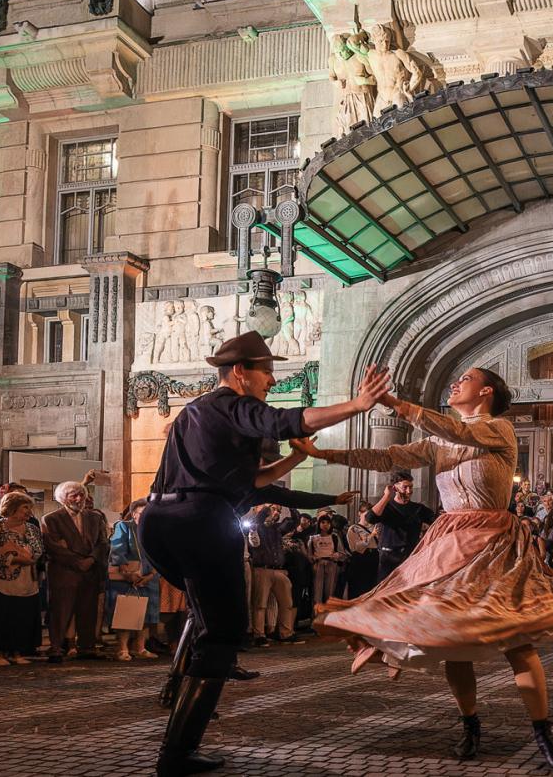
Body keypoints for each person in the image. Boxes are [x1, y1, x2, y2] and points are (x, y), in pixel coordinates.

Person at [297, 366, 553, 770]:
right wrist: (323, 453)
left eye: (464, 379)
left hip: (493, 541)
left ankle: (542, 730)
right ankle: (470, 724)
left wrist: (394, 404)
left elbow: (461, 433)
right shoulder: (438, 439)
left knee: (517, 641)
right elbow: (388, 456)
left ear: (485, 392)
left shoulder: (498, 429)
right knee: (452, 642)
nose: (455, 384)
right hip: (449, 542)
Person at [138, 331, 386, 776]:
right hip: (200, 522)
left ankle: (179, 688)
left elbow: (251, 482)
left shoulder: (196, 414)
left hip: (161, 522)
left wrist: (295, 460)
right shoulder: (232, 405)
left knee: (208, 618)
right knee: (224, 630)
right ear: (240, 372)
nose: (272, 380)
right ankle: (176, 753)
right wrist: (356, 406)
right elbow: (285, 422)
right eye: (266, 371)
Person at [0, 491, 45, 666]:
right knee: (0, 616)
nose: (28, 512)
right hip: (1, 580)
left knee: (22, 616)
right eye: (24, 508)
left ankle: (17, 651)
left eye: (29, 508)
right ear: (11, 508)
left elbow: (39, 549)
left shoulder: (32, 528)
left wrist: (31, 557)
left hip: (27, 579)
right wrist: (11, 559)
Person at [43, 480, 110, 662]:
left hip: (90, 572)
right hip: (64, 572)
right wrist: (77, 561)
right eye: (74, 495)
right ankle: (56, 647)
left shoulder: (95, 518)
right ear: (63, 498)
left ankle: (87, 647)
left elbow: (103, 543)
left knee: (88, 611)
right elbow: (54, 546)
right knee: (61, 610)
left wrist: (91, 559)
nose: (79, 498)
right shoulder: (51, 519)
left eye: (82, 495)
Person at [107, 499, 161, 661]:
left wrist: (151, 575)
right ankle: (122, 648)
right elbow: (117, 549)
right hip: (128, 577)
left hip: (149, 577)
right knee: (127, 612)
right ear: (134, 514)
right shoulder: (125, 526)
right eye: (141, 513)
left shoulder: (155, 530)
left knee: (146, 614)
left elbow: (160, 555)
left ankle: (140, 647)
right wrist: (127, 572)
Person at [245, 504, 301, 646]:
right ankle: (259, 635)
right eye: (274, 511)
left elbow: (292, 523)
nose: (276, 514)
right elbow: (255, 540)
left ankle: (285, 632)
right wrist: (266, 510)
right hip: (262, 569)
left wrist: (292, 507)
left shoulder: (276, 529)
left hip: (278, 569)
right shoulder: (256, 527)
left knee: (286, 602)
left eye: (278, 511)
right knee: (260, 604)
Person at [367, 472, 436, 580]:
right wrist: (386, 496)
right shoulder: (387, 507)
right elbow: (370, 518)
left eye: (411, 487)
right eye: (405, 487)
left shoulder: (418, 508)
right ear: (395, 488)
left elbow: (436, 520)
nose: (409, 491)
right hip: (388, 558)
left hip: (410, 557)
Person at [306, 514, 347, 608]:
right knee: (317, 593)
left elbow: (342, 553)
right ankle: (316, 617)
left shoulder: (334, 537)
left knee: (330, 593)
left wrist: (337, 556)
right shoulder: (313, 538)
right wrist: (313, 558)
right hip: (318, 565)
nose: (325, 525)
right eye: (323, 522)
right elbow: (309, 555)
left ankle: (327, 617)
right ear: (319, 524)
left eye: (328, 522)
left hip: (332, 565)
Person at [343, 502, 380, 598]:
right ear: (359, 513)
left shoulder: (374, 528)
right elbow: (357, 547)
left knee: (372, 587)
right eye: (366, 515)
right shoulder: (354, 528)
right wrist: (371, 535)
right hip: (360, 559)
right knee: (358, 589)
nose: (368, 518)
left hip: (374, 557)